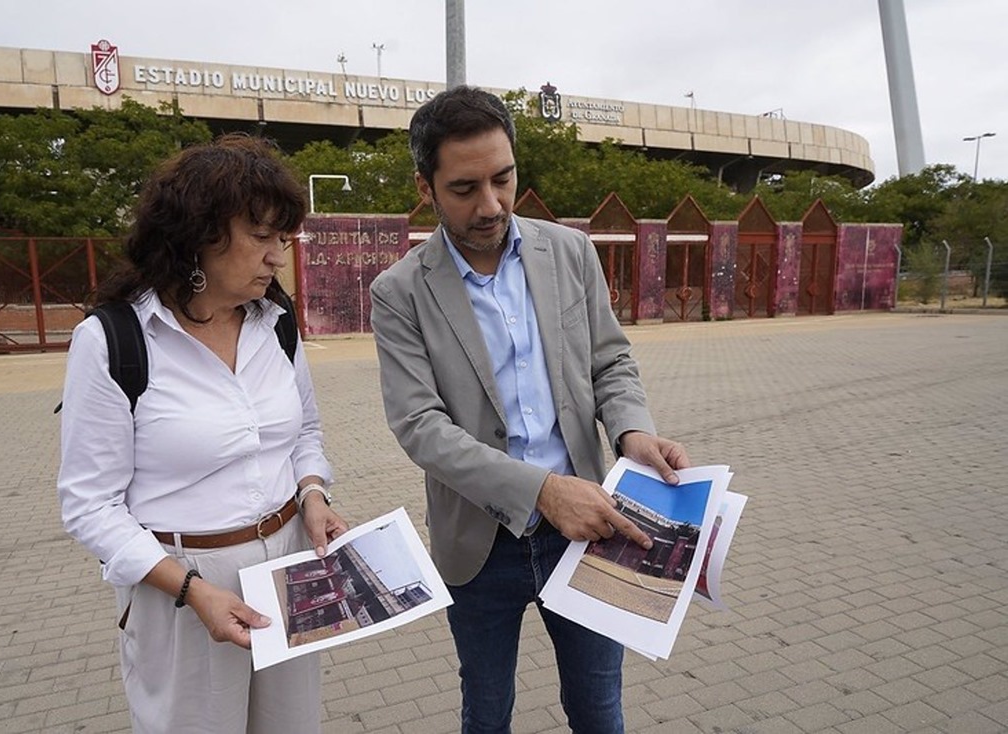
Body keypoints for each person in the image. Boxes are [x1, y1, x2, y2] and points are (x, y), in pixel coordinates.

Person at [369, 86, 689, 733]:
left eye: (503, 179)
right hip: (477, 545)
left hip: (591, 528)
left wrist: (632, 431)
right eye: (464, 188)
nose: (490, 205)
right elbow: (420, 427)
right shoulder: (399, 291)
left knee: (599, 709)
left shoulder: (568, 252)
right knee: (486, 713)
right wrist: (541, 491)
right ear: (425, 186)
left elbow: (610, 361)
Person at [57, 134, 347, 734]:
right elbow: (89, 505)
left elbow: (304, 433)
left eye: (283, 238)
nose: (278, 257)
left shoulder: (277, 322)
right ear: (199, 236)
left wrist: (314, 494)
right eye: (261, 237)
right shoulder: (115, 341)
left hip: (290, 567)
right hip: (181, 586)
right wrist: (192, 590)